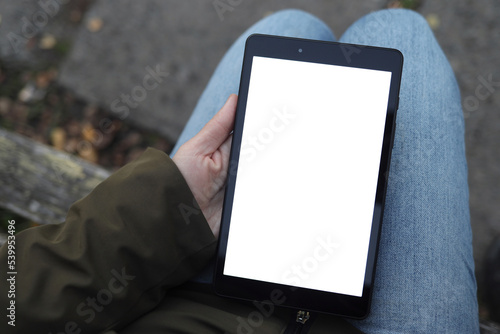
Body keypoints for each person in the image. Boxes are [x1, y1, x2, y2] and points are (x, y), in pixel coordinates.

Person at [0, 8, 479, 334]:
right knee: (398, 32)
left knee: (289, 29)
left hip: (188, 307)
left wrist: (172, 209)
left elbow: (15, 292)